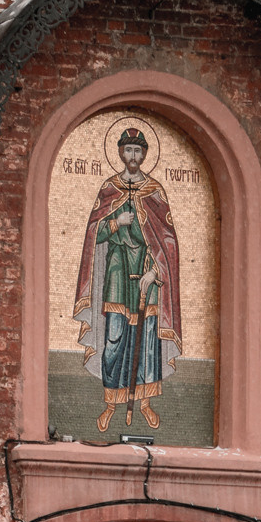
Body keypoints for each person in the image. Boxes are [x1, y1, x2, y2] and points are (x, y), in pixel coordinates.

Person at [70, 126, 184, 435]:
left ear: (145, 155)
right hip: (118, 273)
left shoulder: (155, 191)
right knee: (115, 337)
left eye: (138, 151)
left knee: (146, 340)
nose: (133, 156)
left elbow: (167, 241)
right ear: (121, 153)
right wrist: (115, 221)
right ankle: (110, 403)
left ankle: (145, 403)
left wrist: (155, 272)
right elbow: (93, 234)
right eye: (128, 150)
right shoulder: (110, 188)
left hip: (146, 274)